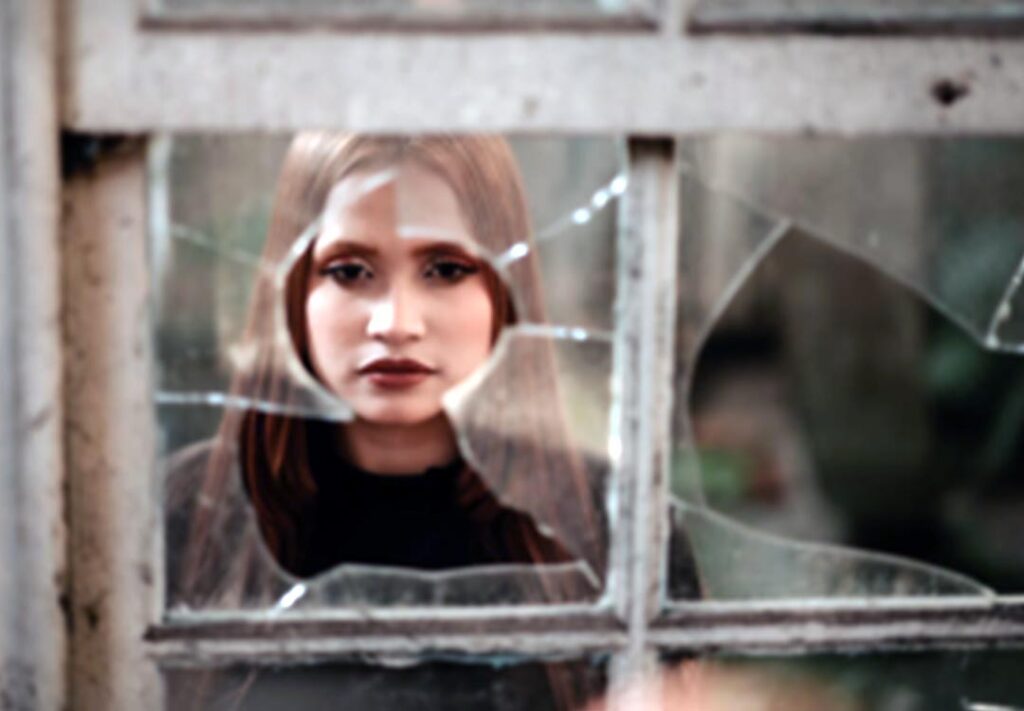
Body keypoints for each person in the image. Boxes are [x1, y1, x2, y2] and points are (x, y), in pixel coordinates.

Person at [164, 133, 608, 708]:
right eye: (350, 271)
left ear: (505, 288)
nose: (396, 324)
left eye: (446, 269)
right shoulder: (180, 515)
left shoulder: (609, 524)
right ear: (293, 287)